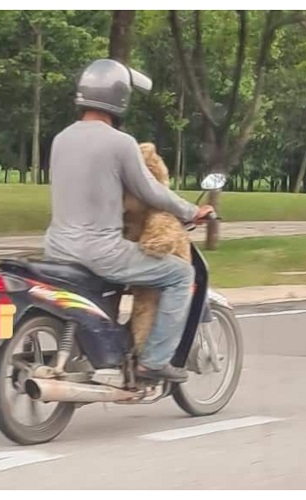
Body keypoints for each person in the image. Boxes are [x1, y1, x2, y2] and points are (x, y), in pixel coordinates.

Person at [44, 59, 215, 383]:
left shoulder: (61, 138)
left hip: (57, 247)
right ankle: (151, 363)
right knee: (180, 275)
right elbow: (151, 191)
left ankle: (108, 348)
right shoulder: (120, 143)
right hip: (101, 252)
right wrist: (191, 211)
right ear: (119, 98)